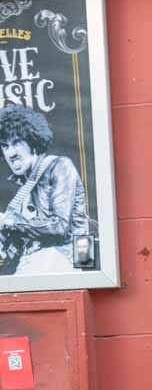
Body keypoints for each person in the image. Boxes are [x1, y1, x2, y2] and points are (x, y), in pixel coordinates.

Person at [0, 105, 88, 275]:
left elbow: (59, 228)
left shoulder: (60, 166)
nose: (11, 153)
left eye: (17, 142)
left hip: (65, 259)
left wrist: (9, 222)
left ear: (32, 140)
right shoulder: (24, 187)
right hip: (36, 262)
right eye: (5, 146)